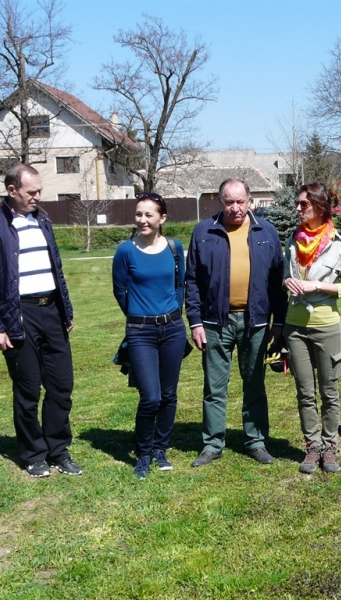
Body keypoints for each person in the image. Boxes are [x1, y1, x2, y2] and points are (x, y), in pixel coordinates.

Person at [0, 163, 81, 478]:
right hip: (19, 315)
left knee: (61, 387)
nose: (38, 197)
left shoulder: (42, 220)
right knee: (28, 388)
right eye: (32, 192)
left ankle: (58, 450)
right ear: (12, 190)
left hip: (52, 312)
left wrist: (66, 310)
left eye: (39, 191)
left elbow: (56, 269)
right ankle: (34, 454)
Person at [185, 178, 287, 467]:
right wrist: (195, 322)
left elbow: (277, 280)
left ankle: (256, 441)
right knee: (214, 388)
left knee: (254, 384)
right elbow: (191, 280)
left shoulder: (266, 232)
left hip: (255, 323)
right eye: (229, 201)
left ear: (249, 201)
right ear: (220, 201)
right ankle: (212, 444)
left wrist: (279, 321)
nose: (235, 207)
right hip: (215, 323)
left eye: (240, 201)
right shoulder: (203, 232)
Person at [283, 183, 341, 474]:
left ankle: (330, 447)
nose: (299, 208)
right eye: (298, 203)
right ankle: (311, 447)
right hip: (295, 327)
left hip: (326, 327)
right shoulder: (293, 240)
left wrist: (317, 285)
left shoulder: (338, 244)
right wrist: (286, 282)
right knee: (305, 392)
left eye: (304, 204)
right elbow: (284, 274)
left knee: (329, 393)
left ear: (319, 207)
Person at [112, 193, 188, 479]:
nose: (142, 220)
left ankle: (160, 449)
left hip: (172, 329)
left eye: (149, 215)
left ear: (162, 218)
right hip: (140, 331)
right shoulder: (125, 251)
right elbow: (120, 291)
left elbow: (180, 284)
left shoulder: (174, 247)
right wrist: (137, 315)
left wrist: (173, 313)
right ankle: (142, 454)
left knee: (168, 395)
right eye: (139, 214)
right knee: (151, 397)